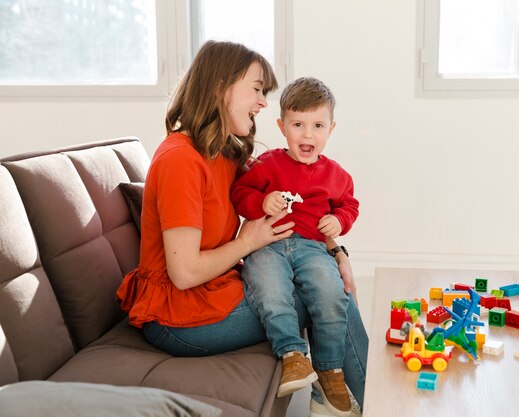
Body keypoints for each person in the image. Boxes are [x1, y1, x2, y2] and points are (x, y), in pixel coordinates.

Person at [114, 41, 367, 417]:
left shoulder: (222, 151)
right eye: (257, 89)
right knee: (326, 295)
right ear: (221, 88)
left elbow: (299, 200)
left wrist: (335, 251)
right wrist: (248, 241)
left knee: (324, 278)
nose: (264, 103)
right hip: (177, 317)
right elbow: (183, 275)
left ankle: (349, 395)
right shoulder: (180, 159)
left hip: (211, 290)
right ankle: (369, 399)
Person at [231, 77, 358, 417]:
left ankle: (331, 370)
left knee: (331, 294)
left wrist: (340, 222)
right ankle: (293, 356)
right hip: (268, 245)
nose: (307, 135)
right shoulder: (267, 164)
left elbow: (349, 205)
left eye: (317, 126)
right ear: (281, 126)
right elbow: (241, 195)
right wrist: (263, 201)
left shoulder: (337, 175)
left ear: (331, 129)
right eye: (298, 125)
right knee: (270, 290)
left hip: (313, 248)